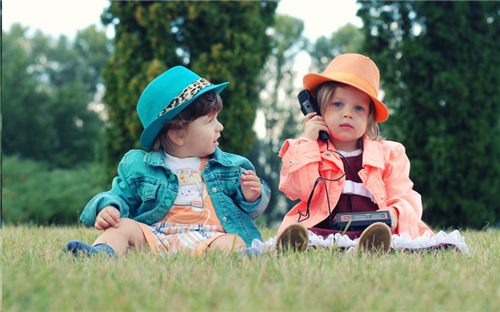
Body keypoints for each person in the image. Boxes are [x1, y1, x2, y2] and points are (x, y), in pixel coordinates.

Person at [63, 66, 270, 257]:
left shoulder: (229, 167)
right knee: (121, 226)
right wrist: (110, 208)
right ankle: (102, 253)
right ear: (178, 135)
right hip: (155, 237)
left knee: (233, 241)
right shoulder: (140, 167)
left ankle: (243, 258)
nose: (220, 127)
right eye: (209, 121)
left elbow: (249, 210)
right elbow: (119, 195)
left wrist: (251, 197)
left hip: (209, 239)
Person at [275, 53, 433, 253]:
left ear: (369, 118)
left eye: (358, 108)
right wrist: (308, 143)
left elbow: (404, 195)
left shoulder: (389, 155)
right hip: (324, 229)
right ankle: (298, 245)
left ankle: (369, 248)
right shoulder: (310, 150)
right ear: (317, 110)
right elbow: (297, 189)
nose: (348, 113)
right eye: (338, 104)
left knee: (392, 239)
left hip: (372, 231)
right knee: (310, 237)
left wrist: (394, 212)